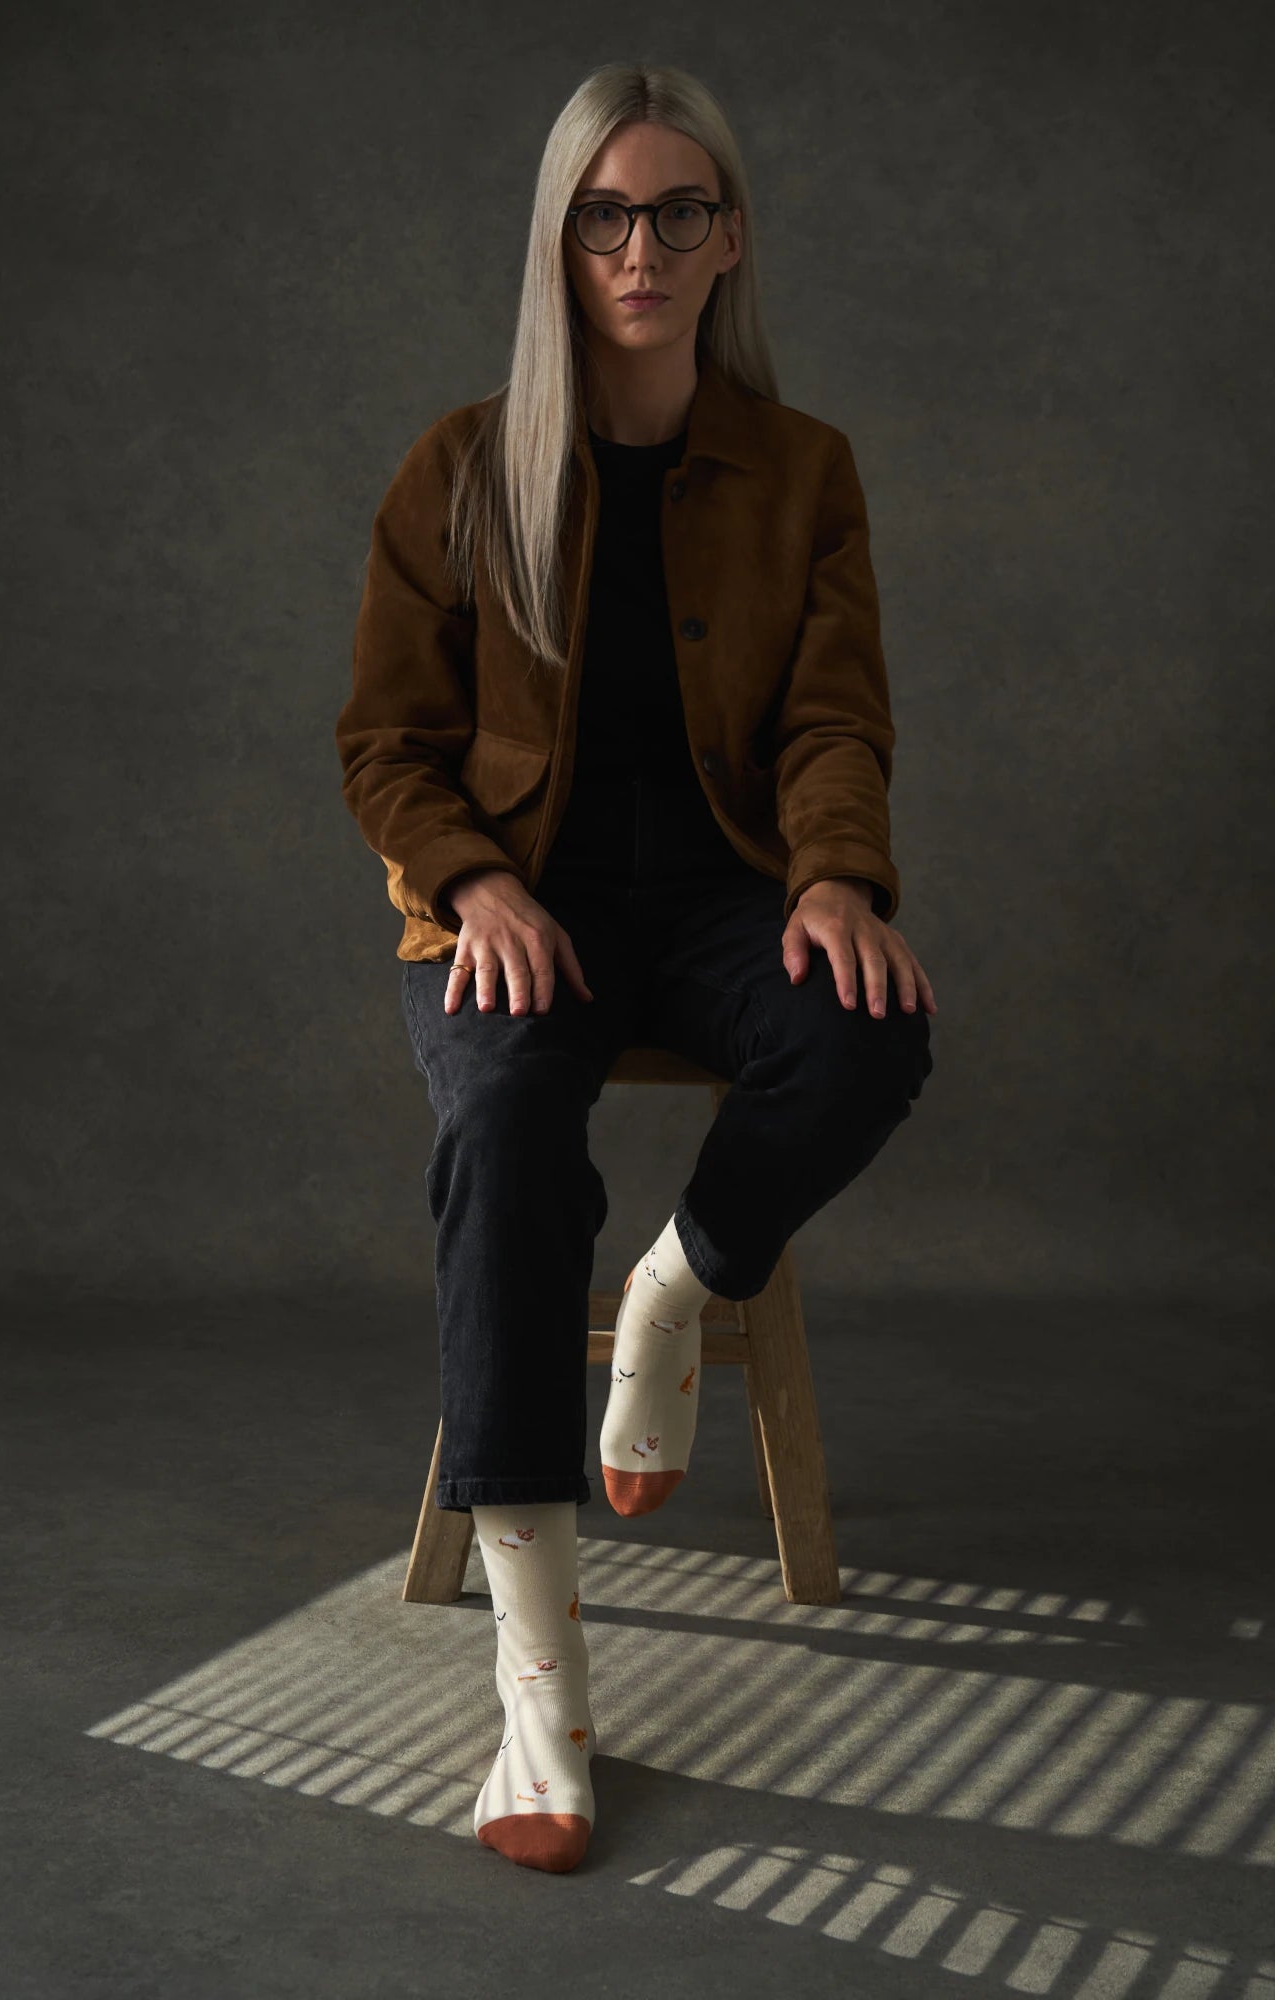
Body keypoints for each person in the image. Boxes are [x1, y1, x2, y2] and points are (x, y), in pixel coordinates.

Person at [335, 60, 937, 1876]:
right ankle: (542, 1684)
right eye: (604, 214)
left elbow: (835, 716)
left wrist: (833, 876)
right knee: (509, 1134)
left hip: (721, 898)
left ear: (729, 236)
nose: (642, 246)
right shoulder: (458, 464)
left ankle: (679, 1294)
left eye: (680, 210)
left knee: (868, 1030)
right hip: (518, 909)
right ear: (558, 240)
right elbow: (384, 743)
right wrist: (467, 883)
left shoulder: (802, 469)